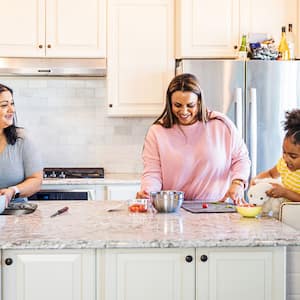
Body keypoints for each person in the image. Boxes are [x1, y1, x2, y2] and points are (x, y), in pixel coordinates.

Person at [137, 73, 251, 204]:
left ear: (199, 102)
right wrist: (148, 192)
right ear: (169, 103)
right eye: (178, 105)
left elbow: (241, 158)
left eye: (190, 105)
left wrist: (238, 182)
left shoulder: (221, 125)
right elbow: (153, 172)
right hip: (173, 208)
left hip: (215, 208)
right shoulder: (157, 132)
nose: (184, 111)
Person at [0, 83, 43, 206]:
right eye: (4, 105)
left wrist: (13, 191)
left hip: (15, 216)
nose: (12, 110)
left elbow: (36, 180)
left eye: (12, 103)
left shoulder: (22, 139)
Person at [250, 109, 300, 202]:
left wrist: (285, 193)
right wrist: (256, 180)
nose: (286, 159)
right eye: (284, 152)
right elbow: (271, 174)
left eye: (293, 156)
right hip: (286, 213)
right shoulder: (283, 164)